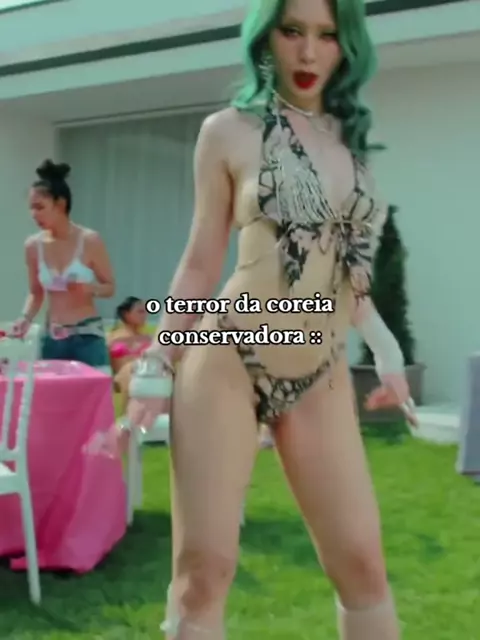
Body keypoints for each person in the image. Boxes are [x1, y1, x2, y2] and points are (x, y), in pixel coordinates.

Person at [122, 1, 418, 638]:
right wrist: (157, 358)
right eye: (293, 31)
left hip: (319, 370)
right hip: (230, 355)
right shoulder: (228, 131)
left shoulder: (352, 142)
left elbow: (349, 276)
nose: (308, 52)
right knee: (204, 571)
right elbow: (201, 261)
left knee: (363, 566)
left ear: (347, 45)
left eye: (327, 35)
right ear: (267, 36)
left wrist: (388, 352)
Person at [13, 159, 115, 369]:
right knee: (51, 389)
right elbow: (36, 293)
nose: (34, 214)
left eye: (40, 207)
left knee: (94, 389)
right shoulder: (33, 246)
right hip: (53, 337)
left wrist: (89, 288)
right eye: (31, 208)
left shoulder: (89, 240)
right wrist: (25, 318)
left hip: (87, 336)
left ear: (60, 204)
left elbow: (110, 287)